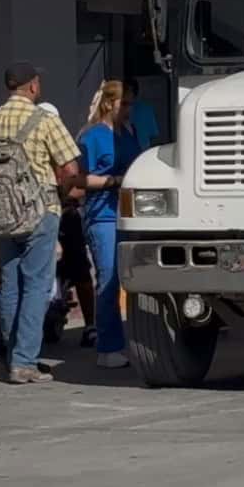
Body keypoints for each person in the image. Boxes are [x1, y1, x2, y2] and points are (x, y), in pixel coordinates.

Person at [0, 63, 80, 385]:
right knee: (35, 286)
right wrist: (57, 190)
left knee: (10, 283)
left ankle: (9, 352)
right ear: (32, 86)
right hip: (39, 211)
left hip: (1, 215)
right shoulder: (45, 120)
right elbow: (71, 166)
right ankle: (24, 362)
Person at [77, 81, 141, 368]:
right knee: (108, 279)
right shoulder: (92, 137)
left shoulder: (129, 131)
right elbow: (80, 180)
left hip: (128, 212)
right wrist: (114, 181)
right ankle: (108, 345)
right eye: (124, 104)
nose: (129, 109)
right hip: (101, 213)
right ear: (108, 103)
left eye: (130, 104)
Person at [38, 103, 96, 347]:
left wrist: (70, 191)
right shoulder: (33, 149)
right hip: (40, 214)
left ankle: (90, 324)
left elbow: (80, 180)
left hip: (66, 213)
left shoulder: (68, 149)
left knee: (82, 270)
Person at [125, 78, 161, 152]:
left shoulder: (121, 110)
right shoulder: (147, 108)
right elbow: (153, 135)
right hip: (144, 153)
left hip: (127, 153)